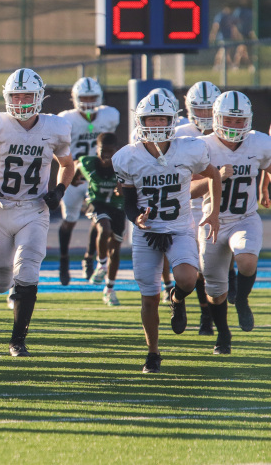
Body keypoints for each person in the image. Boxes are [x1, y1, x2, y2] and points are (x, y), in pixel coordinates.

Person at [112, 91, 221, 373]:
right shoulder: (127, 157)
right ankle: (153, 352)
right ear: (141, 121)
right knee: (148, 297)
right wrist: (136, 218)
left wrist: (213, 212)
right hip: (147, 233)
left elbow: (214, 175)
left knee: (187, 279)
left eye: (163, 118)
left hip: (180, 228)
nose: (158, 123)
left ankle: (177, 298)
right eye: (152, 118)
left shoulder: (189, 148)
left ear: (173, 120)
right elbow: (128, 200)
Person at [0, 68, 74, 357]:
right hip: (0, 207)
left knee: (27, 269)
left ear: (39, 97)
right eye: (16, 96)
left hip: (35, 208)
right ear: (7, 97)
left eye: (27, 96)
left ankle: (17, 340)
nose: (21, 101)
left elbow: (67, 164)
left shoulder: (55, 127)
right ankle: (5, 286)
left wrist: (59, 190)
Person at [191, 92, 271, 354]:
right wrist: (215, 178)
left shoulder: (259, 142)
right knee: (215, 289)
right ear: (216, 118)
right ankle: (223, 335)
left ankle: (244, 300)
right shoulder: (201, 145)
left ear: (248, 121)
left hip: (244, 217)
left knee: (247, 260)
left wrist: (265, 186)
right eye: (229, 119)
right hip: (211, 221)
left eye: (240, 121)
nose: (234, 126)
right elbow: (187, 189)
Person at [57, 77, 119, 284]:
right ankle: (64, 260)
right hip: (74, 174)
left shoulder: (109, 116)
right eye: (84, 97)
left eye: (92, 97)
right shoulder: (66, 119)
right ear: (75, 98)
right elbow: (56, 150)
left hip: (97, 175)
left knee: (98, 215)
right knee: (70, 219)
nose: (89, 101)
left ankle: (89, 259)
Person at [175, 81, 221, 335]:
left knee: (208, 265)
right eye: (199, 110)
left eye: (208, 110)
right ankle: (188, 304)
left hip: (215, 205)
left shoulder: (225, 135)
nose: (204, 116)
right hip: (185, 206)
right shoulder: (180, 132)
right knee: (191, 265)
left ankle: (207, 315)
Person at [77, 133, 125, 305]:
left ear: (116, 151)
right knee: (105, 229)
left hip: (118, 207)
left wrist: (122, 188)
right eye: (103, 151)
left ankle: (110, 289)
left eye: (110, 152)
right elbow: (77, 165)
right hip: (97, 203)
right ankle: (101, 264)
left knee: (116, 249)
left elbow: (125, 188)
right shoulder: (88, 162)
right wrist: (75, 180)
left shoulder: (121, 165)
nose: (106, 155)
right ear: (97, 149)